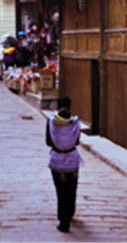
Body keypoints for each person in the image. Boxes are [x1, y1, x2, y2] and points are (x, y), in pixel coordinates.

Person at [46, 96, 82, 233]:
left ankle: (63, 220)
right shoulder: (75, 122)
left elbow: (48, 142)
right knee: (71, 188)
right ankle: (70, 213)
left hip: (57, 158)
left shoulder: (51, 121)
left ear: (57, 106)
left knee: (60, 190)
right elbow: (77, 141)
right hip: (72, 159)